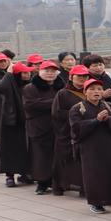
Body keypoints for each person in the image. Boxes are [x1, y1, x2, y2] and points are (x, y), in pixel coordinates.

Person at [69, 78, 111, 213]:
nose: (96, 92)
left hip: (109, 147)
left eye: (99, 89)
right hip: (90, 148)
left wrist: (108, 119)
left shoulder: (109, 106)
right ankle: (96, 202)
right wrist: (96, 121)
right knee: (92, 175)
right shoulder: (78, 108)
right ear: (85, 92)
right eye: (92, 89)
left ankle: (110, 199)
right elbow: (76, 128)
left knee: (110, 174)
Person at [24, 61, 65, 194]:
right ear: (39, 72)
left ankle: (57, 181)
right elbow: (31, 105)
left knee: (57, 155)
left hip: (58, 126)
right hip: (39, 127)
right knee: (40, 157)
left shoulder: (62, 86)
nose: (49, 73)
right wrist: (55, 102)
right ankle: (42, 183)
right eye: (46, 70)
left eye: (52, 71)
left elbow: (65, 103)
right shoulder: (31, 87)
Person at [51, 65, 89, 196]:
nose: (82, 79)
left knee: (82, 161)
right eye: (79, 76)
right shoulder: (63, 93)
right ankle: (59, 186)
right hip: (66, 131)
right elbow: (57, 113)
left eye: (85, 76)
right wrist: (76, 114)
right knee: (63, 160)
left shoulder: (90, 91)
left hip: (84, 131)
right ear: (71, 77)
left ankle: (83, 187)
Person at [0, 61, 34, 187]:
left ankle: (25, 173)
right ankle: (9, 175)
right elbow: (0, 88)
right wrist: (8, 74)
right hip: (11, 122)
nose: (28, 74)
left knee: (26, 149)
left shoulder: (31, 85)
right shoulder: (8, 84)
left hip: (27, 121)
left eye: (28, 72)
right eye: (24, 72)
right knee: (10, 149)